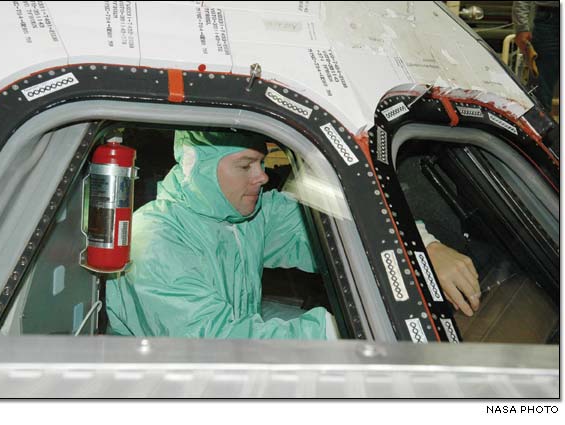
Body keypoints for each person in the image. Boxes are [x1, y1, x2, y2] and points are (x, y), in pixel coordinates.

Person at [106, 130, 479, 339]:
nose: (263, 176)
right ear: (197, 167)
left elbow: (349, 227)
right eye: (245, 165)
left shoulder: (247, 214)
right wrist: (345, 329)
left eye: (263, 163)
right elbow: (220, 345)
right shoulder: (153, 241)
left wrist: (423, 248)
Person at [513, 1, 559, 111]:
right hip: (550, 19)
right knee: (541, 88)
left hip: (549, 20)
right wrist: (522, 27)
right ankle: (541, 125)